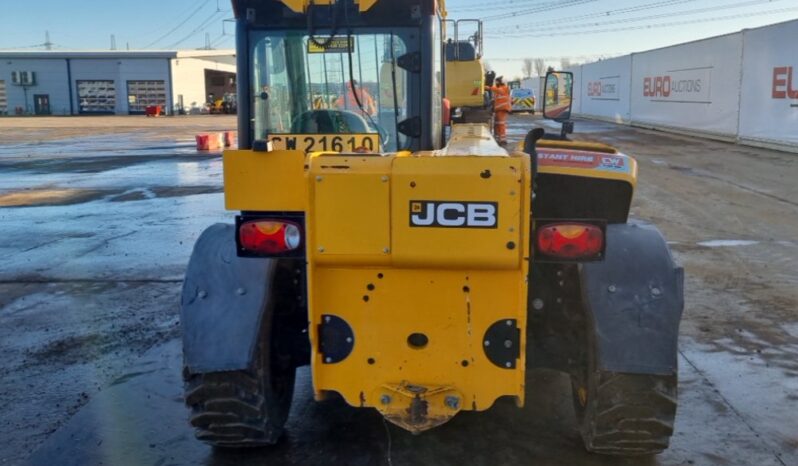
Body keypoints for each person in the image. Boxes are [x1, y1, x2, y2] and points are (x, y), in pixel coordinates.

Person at [488, 75, 511, 145]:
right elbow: (496, 99)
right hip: (499, 110)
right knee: (497, 124)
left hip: (502, 109)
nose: (496, 83)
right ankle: (498, 139)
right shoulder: (500, 90)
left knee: (501, 124)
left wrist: (488, 87)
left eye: (497, 82)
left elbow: (497, 90)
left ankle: (502, 140)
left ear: (501, 82)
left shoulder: (503, 88)